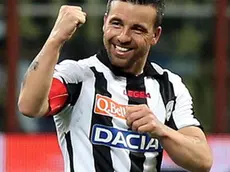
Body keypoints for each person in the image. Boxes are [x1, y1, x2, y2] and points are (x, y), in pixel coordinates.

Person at [18, 0, 213, 171]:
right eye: (116, 24)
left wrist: (161, 130)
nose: (123, 37)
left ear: (155, 35)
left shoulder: (169, 86)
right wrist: (55, 39)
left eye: (137, 29)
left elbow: (203, 160)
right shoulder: (77, 75)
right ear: (104, 23)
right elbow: (28, 106)